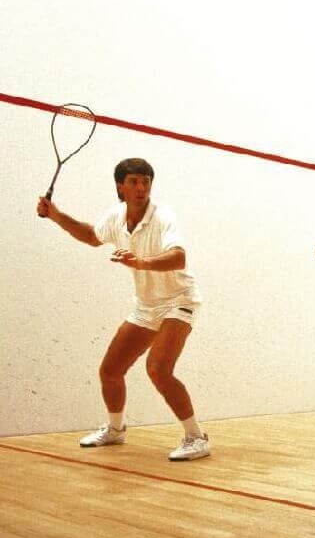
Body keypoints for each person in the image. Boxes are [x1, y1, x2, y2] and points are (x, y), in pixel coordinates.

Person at [36, 158, 210, 461]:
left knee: (158, 369)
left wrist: (141, 262)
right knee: (111, 370)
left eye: (145, 181)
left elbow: (178, 257)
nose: (141, 187)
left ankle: (196, 438)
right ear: (121, 186)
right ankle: (115, 430)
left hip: (179, 299)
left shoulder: (163, 217)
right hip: (147, 305)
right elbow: (92, 236)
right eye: (134, 181)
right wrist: (56, 215)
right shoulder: (115, 217)